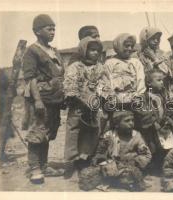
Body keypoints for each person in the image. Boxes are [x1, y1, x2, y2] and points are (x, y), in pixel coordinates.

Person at [22, 14, 65, 183]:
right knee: (37, 134)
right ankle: (35, 169)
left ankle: (44, 165)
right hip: (40, 98)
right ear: (37, 31)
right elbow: (30, 78)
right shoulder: (32, 51)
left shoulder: (54, 51)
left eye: (54, 28)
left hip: (54, 98)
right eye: (49, 29)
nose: (53, 32)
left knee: (47, 133)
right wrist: (38, 100)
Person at [63, 36, 109, 179]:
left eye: (97, 50)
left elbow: (105, 85)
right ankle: (70, 162)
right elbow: (71, 87)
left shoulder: (100, 68)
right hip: (78, 105)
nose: (95, 53)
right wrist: (83, 101)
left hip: (94, 107)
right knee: (73, 131)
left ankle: (85, 159)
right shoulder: (75, 67)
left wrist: (99, 98)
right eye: (92, 50)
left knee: (92, 131)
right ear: (84, 50)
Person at [78, 111, 152, 191]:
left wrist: (135, 163)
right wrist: (102, 161)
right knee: (87, 176)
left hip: (129, 167)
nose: (131, 123)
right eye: (127, 121)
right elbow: (100, 151)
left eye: (132, 120)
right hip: (111, 167)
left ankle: (123, 181)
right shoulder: (109, 135)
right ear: (117, 125)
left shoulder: (137, 136)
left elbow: (146, 155)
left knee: (129, 175)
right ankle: (117, 181)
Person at [134, 69, 173, 173]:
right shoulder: (144, 97)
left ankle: (161, 166)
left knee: (164, 146)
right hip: (150, 129)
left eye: (162, 80)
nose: (162, 82)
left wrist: (166, 118)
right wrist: (153, 122)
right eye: (159, 80)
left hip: (161, 126)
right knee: (152, 146)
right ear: (149, 83)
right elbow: (142, 112)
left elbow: (165, 109)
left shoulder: (162, 96)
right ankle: (150, 168)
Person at [104, 33, 146, 106]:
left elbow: (140, 80)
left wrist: (138, 96)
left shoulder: (136, 62)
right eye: (126, 46)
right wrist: (111, 97)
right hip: (116, 101)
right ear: (119, 46)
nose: (129, 49)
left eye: (131, 46)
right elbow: (106, 81)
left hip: (134, 99)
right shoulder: (110, 63)